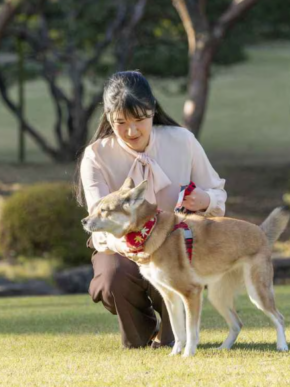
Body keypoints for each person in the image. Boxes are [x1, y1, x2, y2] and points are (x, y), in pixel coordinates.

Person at [75, 70, 227, 349]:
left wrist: (203, 200)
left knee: (172, 337)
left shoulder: (183, 140)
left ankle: (172, 336)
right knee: (111, 279)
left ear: (153, 110)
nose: (132, 131)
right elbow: (99, 224)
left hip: (177, 245)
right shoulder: (96, 155)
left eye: (140, 120)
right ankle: (142, 331)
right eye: (120, 122)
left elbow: (218, 193)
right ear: (108, 117)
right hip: (122, 248)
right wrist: (132, 245)